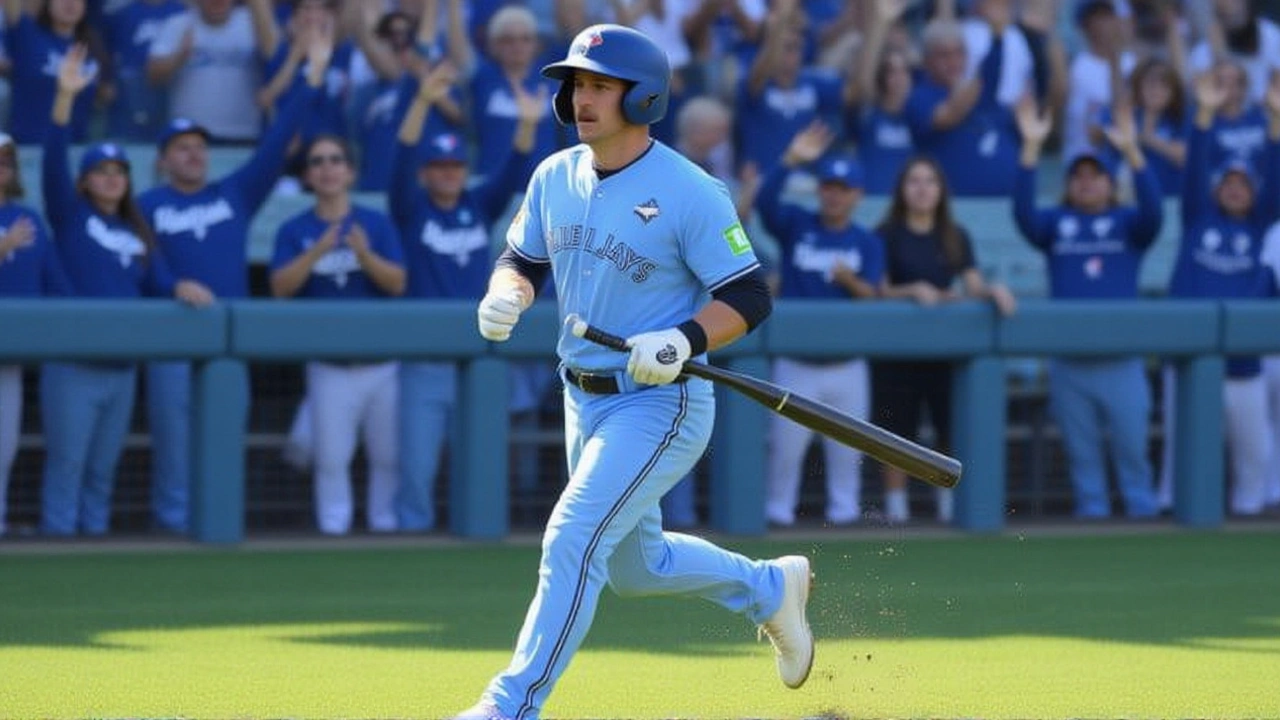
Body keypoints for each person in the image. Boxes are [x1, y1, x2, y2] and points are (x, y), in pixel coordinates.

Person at [458, 24, 812, 720]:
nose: (582, 98)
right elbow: (523, 260)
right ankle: (770, 588)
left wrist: (683, 338)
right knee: (635, 567)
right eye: (577, 85)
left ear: (642, 96)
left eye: (600, 85)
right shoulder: (554, 175)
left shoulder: (690, 189)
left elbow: (748, 296)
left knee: (571, 539)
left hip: (661, 400)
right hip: (580, 395)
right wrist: (507, 294)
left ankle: (510, 707)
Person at [138, 21, 331, 535]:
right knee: (174, 444)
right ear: (163, 159)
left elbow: (275, 143)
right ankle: (172, 530)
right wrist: (170, 283)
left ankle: (222, 527)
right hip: (172, 336)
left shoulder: (234, 194)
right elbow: (145, 263)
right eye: (181, 147)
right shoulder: (147, 204)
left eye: (198, 146)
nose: (193, 153)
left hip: (227, 342)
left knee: (222, 437)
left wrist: (311, 77)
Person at [41, 46, 213, 536]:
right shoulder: (73, 217)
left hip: (121, 366)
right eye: (102, 172)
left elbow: (159, 281)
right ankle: (57, 551)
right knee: (67, 466)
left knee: (101, 471)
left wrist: (182, 285)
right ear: (87, 181)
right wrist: (64, 99)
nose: (112, 179)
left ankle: (92, 547)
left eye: (120, 173)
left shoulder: (139, 232)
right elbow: (53, 163)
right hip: (74, 362)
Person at [389, 60, 542, 533]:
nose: (449, 174)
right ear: (427, 174)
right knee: (417, 464)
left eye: (455, 165)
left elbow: (513, 170)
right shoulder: (412, 208)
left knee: (479, 459)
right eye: (439, 167)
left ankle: (473, 533)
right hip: (425, 356)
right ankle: (413, 538)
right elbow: (401, 160)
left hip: (477, 356)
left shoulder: (476, 205)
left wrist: (528, 124)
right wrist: (421, 101)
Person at [1013, 97, 1163, 519]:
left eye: (1095, 175)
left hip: (1122, 360)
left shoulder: (1127, 224)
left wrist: (1133, 152)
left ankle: (1143, 516)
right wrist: (1030, 150)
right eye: (1077, 176)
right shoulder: (1057, 223)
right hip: (1070, 361)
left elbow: (1154, 213)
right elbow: (1023, 216)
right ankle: (1092, 519)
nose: (1086, 182)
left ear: (1109, 183)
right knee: (1082, 457)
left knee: (1133, 452)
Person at [269, 134, 406, 536]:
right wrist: (318, 250)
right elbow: (280, 288)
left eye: (335, 160)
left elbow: (397, 283)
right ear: (308, 175)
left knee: (387, 456)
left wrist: (363, 254)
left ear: (349, 171)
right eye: (318, 161)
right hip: (329, 363)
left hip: (382, 362)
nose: (327, 168)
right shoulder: (295, 228)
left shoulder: (375, 224)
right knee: (330, 458)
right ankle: (334, 529)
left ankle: (385, 527)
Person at [749, 121, 884, 528]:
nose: (834, 195)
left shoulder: (866, 241)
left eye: (843, 189)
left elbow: (873, 295)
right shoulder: (798, 224)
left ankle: (844, 522)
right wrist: (789, 162)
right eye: (828, 187)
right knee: (784, 453)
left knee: (847, 456)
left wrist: (850, 282)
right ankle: (778, 519)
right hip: (796, 361)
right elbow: (766, 204)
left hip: (847, 363)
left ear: (857, 195)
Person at [1157, 72, 1280, 517]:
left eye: (1243, 184)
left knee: (1256, 453)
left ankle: (1248, 515)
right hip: (1188, 355)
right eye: (1228, 182)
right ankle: (1170, 513)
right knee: (1181, 445)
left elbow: (1275, 180)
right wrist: (1204, 115)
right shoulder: (1198, 220)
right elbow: (1192, 173)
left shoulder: (1261, 228)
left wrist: (1275, 124)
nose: (1234, 188)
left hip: (1242, 363)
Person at [874, 155, 1017, 524]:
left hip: (944, 350)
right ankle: (896, 507)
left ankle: (948, 503)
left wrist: (992, 292)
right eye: (914, 181)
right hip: (896, 351)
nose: (922, 190)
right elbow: (878, 290)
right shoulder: (886, 233)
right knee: (895, 430)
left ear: (941, 191)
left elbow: (971, 286)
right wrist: (913, 290)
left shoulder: (955, 235)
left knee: (947, 426)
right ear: (902, 190)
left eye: (930, 182)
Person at [0, 132, 70, 537]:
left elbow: (55, 284)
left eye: (7, 159)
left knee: (4, 448)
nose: (2, 166)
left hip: (10, 355)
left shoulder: (29, 219)